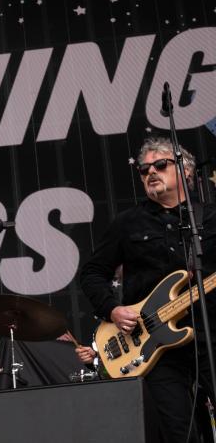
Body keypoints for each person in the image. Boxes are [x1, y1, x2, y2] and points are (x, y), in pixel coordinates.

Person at [79, 137, 216, 443]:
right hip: (154, 347)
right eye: (144, 169)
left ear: (187, 171)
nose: (150, 172)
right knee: (180, 432)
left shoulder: (209, 218)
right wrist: (112, 309)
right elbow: (92, 272)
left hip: (210, 332)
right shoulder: (128, 223)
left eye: (161, 165)